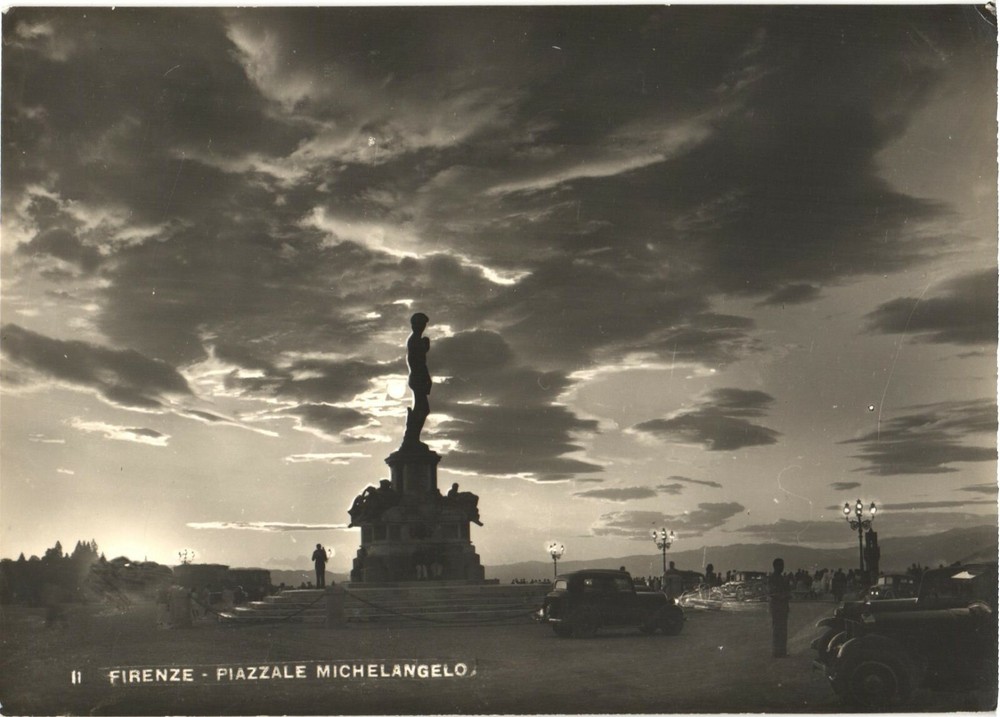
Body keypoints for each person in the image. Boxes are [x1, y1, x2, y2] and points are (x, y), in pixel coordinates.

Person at [403, 313, 431, 447]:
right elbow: (419, 363)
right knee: (422, 408)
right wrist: (427, 378)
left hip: (417, 377)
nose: (422, 327)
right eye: (421, 324)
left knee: (421, 408)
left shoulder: (416, 340)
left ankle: (412, 438)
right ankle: (411, 438)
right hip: (417, 377)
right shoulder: (415, 341)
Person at [768, 558, 792, 657]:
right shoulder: (773, 578)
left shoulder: (780, 578)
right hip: (777, 606)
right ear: (776, 566)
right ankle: (777, 652)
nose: (782, 567)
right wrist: (784, 596)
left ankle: (782, 652)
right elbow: (773, 593)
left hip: (782, 606)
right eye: (781, 565)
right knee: (778, 630)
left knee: (782, 630)